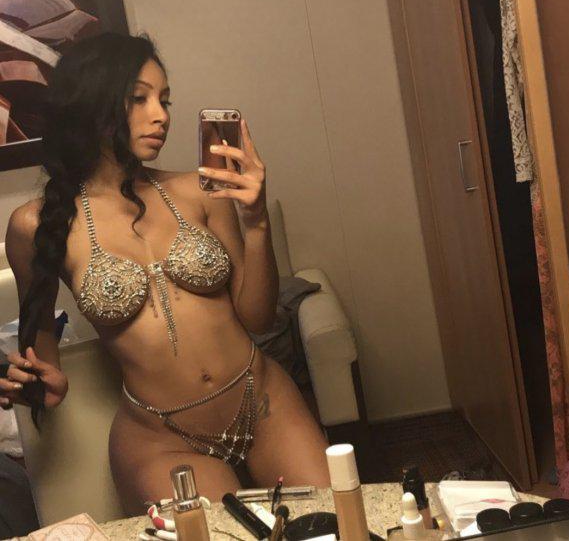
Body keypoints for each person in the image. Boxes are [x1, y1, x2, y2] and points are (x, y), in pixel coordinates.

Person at [1, 32, 329, 515]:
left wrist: (256, 221)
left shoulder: (198, 189)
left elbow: (258, 318)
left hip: (261, 403)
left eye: (165, 100)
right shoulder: (35, 225)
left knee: (333, 524)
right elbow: (42, 347)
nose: (161, 115)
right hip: (162, 438)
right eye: (140, 99)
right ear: (92, 103)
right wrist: (39, 378)